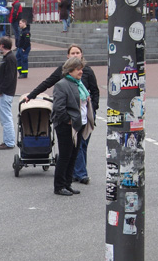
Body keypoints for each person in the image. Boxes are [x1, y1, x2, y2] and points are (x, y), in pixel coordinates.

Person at [22, 44, 100, 184]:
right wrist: (32, 95)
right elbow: (48, 84)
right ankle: (80, 174)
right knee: (73, 149)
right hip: (71, 119)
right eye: (73, 53)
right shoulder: (63, 76)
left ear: (82, 54)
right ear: (68, 56)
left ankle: (75, 175)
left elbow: (95, 91)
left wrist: (92, 109)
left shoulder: (87, 72)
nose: (75, 55)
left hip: (84, 117)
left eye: (78, 52)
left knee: (81, 147)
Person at [50, 57, 94, 196]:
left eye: (81, 68)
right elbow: (59, 107)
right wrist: (68, 121)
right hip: (67, 126)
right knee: (65, 155)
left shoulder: (78, 83)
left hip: (78, 124)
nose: (81, 71)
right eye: (78, 69)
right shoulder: (62, 85)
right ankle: (59, 186)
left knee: (74, 155)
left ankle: (67, 184)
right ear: (70, 70)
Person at [0, 37, 17, 151]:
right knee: (5, 118)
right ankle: (8, 140)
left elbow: (9, 77)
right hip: (5, 92)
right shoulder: (8, 58)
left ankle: (9, 142)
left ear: (2, 45)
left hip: (5, 93)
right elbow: (2, 74)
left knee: (6, 118)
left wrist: (0, 90)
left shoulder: (9, 58)